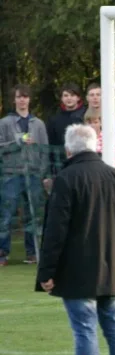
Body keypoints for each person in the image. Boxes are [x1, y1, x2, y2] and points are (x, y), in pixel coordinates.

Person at [36, 124, 115, 355]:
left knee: (85, 330)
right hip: (113, 265)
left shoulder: (66, 179)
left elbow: (55, 231)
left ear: (68, 149)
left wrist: (46, 271)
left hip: (77, 269)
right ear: (95, 146)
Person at [0, 84, 48, 265]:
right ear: (14, 100)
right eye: (19, 97)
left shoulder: (39, 124)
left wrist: (43, 173)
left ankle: (33, 252)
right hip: (10, 175)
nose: (22, 100)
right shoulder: (4, 123)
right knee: (6, 214)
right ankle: (2, 253)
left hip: (34, 174)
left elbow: (45, 150)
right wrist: (17, 141)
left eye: (25, 97)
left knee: (33, 215)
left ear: (29, 99)